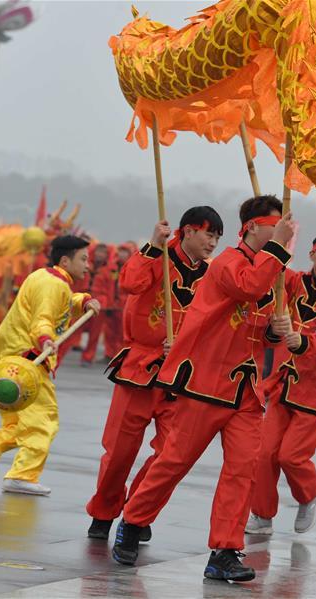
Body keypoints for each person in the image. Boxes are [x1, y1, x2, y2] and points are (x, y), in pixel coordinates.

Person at [110, 195, 295, 583]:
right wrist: (279, 247)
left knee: (243, 469)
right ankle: (133, 519)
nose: (279, 232)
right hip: (205, 382)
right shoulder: (229, 263)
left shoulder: (271, 269)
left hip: (244, 389)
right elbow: (246, 288)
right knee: (174, 462)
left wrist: (273, 333)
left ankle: (224, 551)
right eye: (272, 226)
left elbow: (253, 322)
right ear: (252, 227)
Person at [85, 207, 222, 540]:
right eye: (209, 234)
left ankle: (137, 511)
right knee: (119, 451)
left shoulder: (212, 275)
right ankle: (104, 511)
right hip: (139, 369)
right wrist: (151, 245)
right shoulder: (156, 257)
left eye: (218, 237)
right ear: (188, 230)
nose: (213, 243)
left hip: (181, 377)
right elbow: (130, 283)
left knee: (169, 455)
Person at [247, 231, 316, 536]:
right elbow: (273, 271)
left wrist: (303, 342)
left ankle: (308, 496)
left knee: (291, 455)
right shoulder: (293, 282)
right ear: (311, 254)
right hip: (284, 382)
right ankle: (262, 515)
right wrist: (278, 241)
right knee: (265, 452)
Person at [0, 236, 101, 495]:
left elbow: (62, 305)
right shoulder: (54, 285)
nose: (88, 265)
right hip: (28, 362)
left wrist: (82, 301)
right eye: (83, 259)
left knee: (17, 422)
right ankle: (20, 473)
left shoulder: (47, 278)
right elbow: (43, 318)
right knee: (43, 421)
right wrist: (45, 340)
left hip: (11, 359)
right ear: (65, 260)